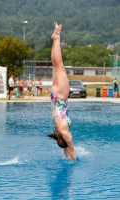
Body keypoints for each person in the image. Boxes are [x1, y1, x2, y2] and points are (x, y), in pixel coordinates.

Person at [47, 23, 76, 161]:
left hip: (61, 96)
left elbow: (71, 148)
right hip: (54, 96)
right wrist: (66, 154)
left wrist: (73, 160)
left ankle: (57, 37)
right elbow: (65, 148)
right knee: (55, 66)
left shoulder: (65, 132)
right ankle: (55, 38)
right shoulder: (59, 130)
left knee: (60, 66)